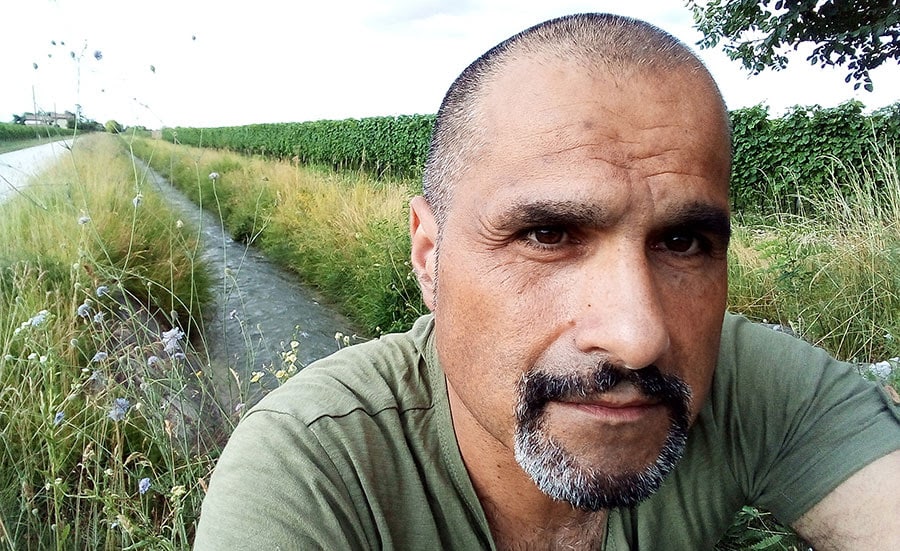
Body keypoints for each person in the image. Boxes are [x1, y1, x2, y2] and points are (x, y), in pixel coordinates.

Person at [194, 13, 900, 550]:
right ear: (430, 256)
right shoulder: (309, 472)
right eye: (548, 235)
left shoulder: (747, 382)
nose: (638, 337)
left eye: (682, 242)